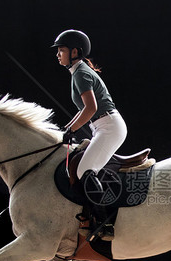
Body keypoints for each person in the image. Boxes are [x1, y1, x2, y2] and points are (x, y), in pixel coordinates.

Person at [52, 29, 127, 241]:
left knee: (85, 169)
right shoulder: (78, 71)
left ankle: (107, 222)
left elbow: (91, 108)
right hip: (102, 126)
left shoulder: (81, 73)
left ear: (75, 51)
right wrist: (67, 129)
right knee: (81, 167)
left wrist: (72, 130)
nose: (58, 54)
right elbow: (83, 111)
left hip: (108, 127)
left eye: (61, 50)